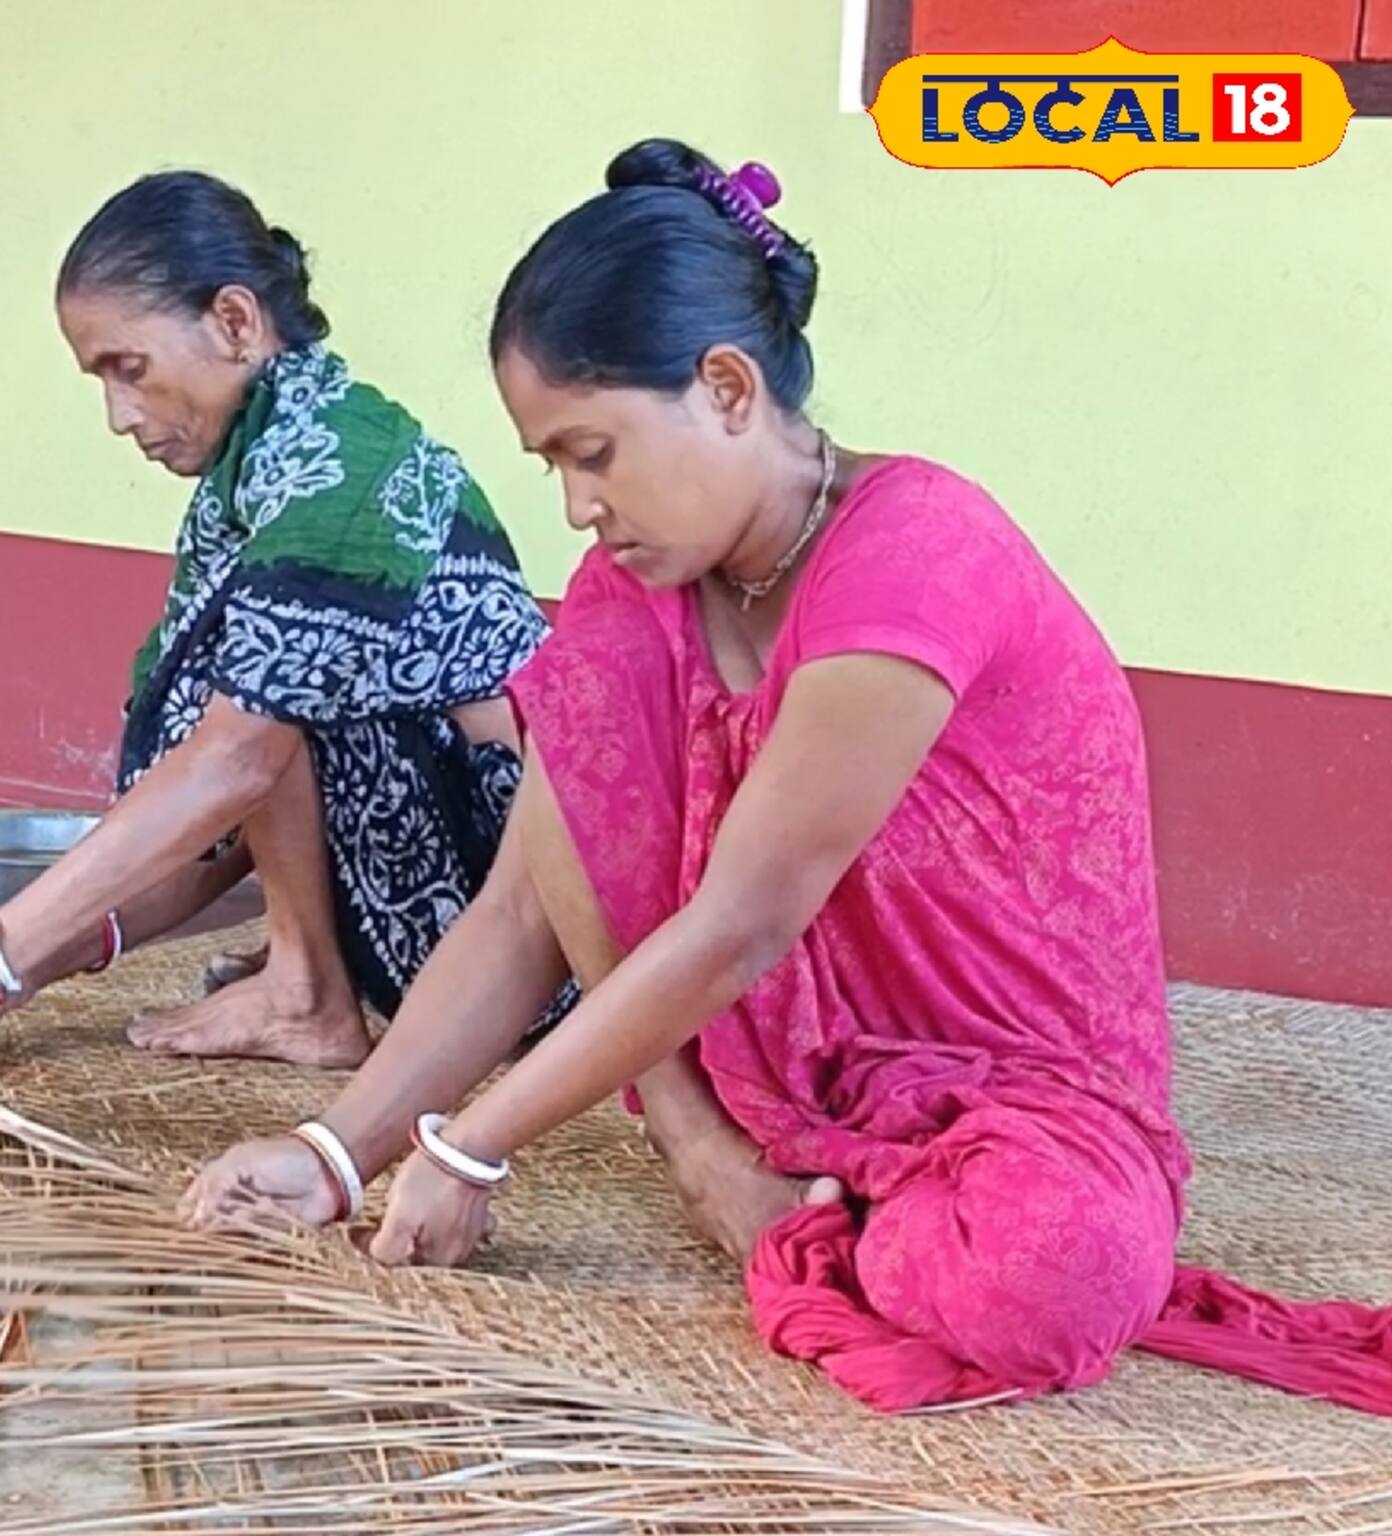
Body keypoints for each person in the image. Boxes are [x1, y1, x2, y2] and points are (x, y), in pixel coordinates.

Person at [182, 139, 1392, 1416]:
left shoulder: (914, 555)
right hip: (785, 1082)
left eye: (592, 451)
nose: (576, 505)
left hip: (1019, 1096)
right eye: (551, 465)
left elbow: (743, 923)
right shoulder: (629, 602)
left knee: (1046, 1278)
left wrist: (471, 1145)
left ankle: (829, 1210)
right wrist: (335, 1153)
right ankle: (798, 1188)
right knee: (587, 816)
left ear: (725, 387)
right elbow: (526, 909)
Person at [0, 171, 555, 1119]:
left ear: (234, 321)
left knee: (259, 712)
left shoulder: (336, 472)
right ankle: (303, 980)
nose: (117, 414)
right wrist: (20, 969)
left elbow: (237, 765)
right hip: (451, 896)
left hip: (525, 941)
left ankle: (308, 995)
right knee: (253, 704)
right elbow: (223, 825)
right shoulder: (264, 465)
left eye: (127, 367)